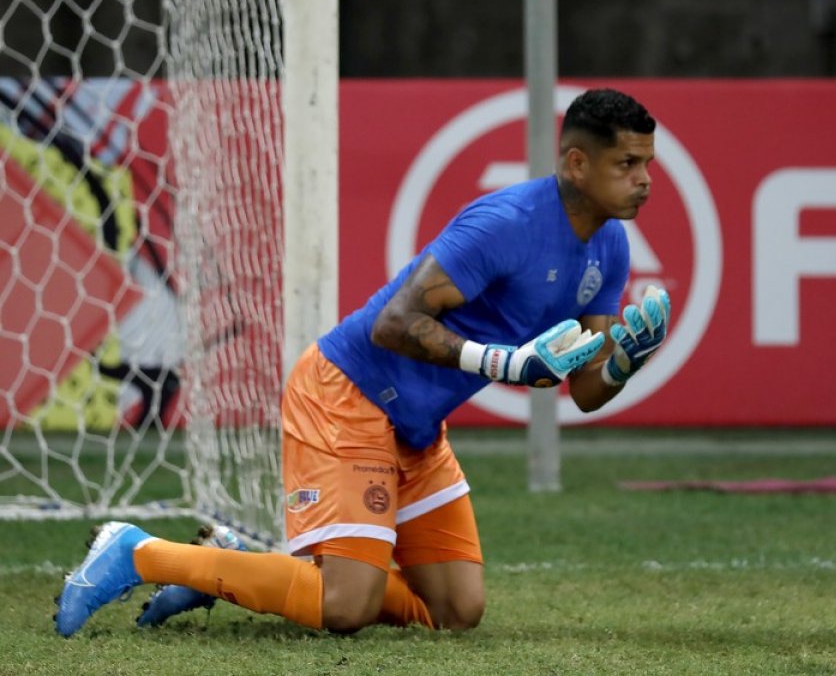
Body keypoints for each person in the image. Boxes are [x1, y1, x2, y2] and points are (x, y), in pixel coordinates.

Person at [54, 87, 671, 637]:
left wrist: (624, 364)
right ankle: (137, 552)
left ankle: (229, 569)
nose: (644, 179)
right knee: (346, 607)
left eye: (646, 164)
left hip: (417, 428)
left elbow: (586, 389)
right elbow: (393, 323)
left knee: (457, 611)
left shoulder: (609, 243)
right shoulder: (505, 223)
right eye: (628, 164)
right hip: (349, 393)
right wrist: (506, 363)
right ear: (576, 163)